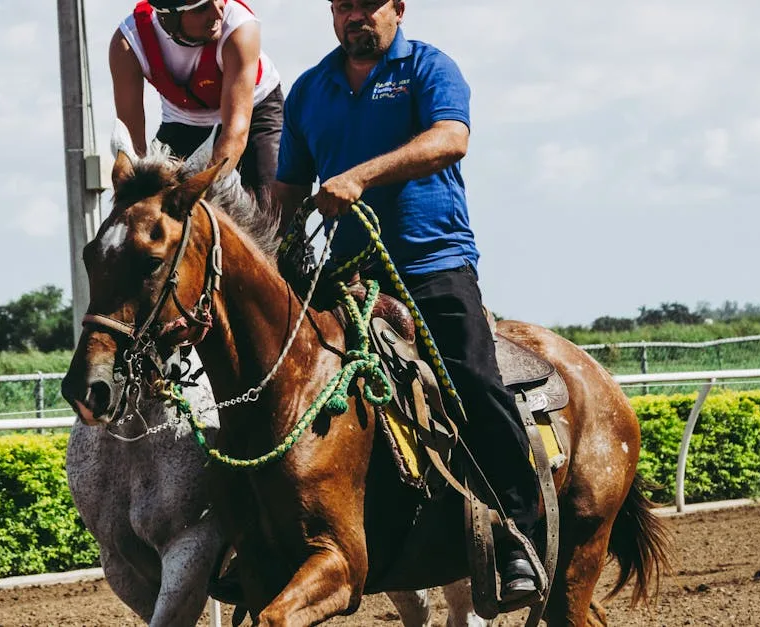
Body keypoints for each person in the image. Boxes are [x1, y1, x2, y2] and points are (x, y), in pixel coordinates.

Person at [272, 0, 542, 606]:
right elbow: (288, 187)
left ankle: (520, 535)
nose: (353, 18)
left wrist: (360, 176)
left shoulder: (429, 68)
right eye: (342, 7)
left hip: (430, 264)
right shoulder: (310, 90)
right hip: (341, 275)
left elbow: (451, 140)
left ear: (398, 8)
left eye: (366, 5)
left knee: (472, 379)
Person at [110, 0, 284, 210]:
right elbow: (134, 150)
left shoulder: (240, 27)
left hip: (254, 111)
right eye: (202, 8)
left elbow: (234, 136)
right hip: (184, 120)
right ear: (169, 18)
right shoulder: (128, 43)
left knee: (272, 207)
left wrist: (195, 191)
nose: (217, 13)